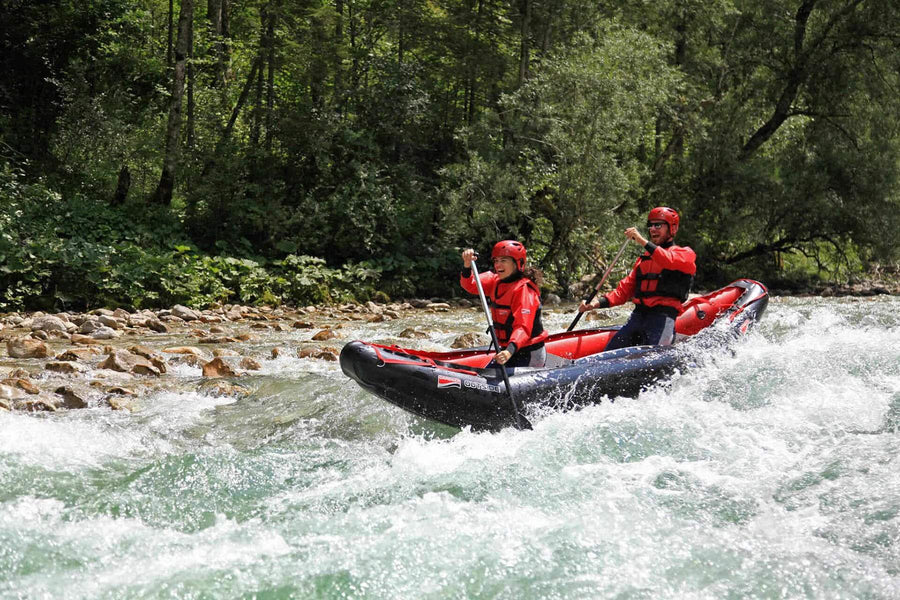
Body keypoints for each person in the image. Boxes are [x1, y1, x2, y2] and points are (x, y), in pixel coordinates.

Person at [578, 207, 696, 350]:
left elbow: (668, 260)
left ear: (673, 228)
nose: (653, 229)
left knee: (654, 358)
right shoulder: (643, 261)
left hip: (662, 319)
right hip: (637, 318)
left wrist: (640, 240)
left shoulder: (685, 254)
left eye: (658, 225)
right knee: (608, 354)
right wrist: (595, 304)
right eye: (650, 225)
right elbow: (623, 291)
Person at [461, 240, 549, 368]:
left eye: (503, 260)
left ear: (517, 263)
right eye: (496, 260)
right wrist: (467, 265)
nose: (498, 265)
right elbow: (470, 285)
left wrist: (509, 352)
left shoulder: (524, 290)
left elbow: (522, 327)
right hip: (505, 351)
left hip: (528, 353)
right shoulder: (494, 280)